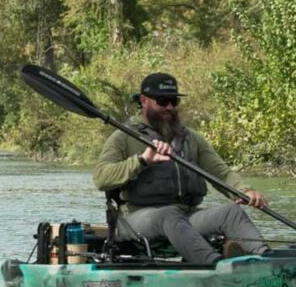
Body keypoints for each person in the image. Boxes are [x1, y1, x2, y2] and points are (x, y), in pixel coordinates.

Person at [93, 72, 269, 264]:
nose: (169, 107)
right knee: (169, 214)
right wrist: (142, 160)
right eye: (162, 101)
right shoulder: (123, 138)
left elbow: (221, 173)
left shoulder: (191, 138)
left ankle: (268, 261)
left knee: (230, 213)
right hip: (136, 219)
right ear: (144, 101)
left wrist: (245, 191)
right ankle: (215, 265)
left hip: (186, 216)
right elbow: (101, 178)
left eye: (174, 101)